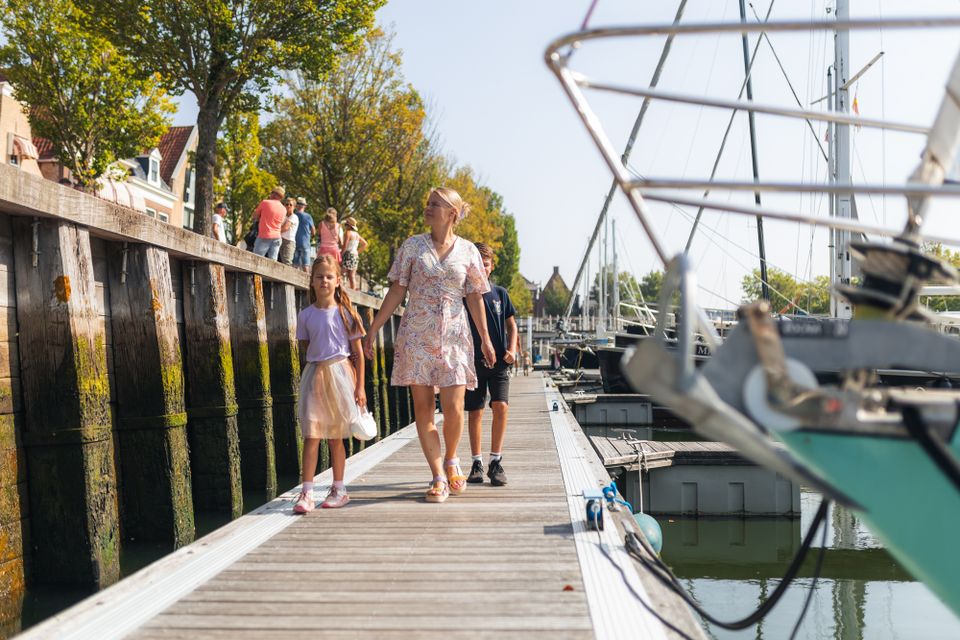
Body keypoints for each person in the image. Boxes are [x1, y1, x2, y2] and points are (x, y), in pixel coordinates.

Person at [362, 187, 495, 503]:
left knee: (454, 409)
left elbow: (475, 297)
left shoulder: (468, 251)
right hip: (417, 336)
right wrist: (373, 329)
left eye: (435, 204)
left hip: (455, 337)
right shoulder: (412, 246)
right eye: (428, 203)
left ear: (452, 213)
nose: (428, 207)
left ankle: (451, 458)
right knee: (423, 409)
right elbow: (397, 290)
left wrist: (486, 339)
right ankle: (437, 475)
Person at [293, 255, 367, 513]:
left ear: (337, 281)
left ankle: (339, 488)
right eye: (319, 276)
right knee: (311, 435)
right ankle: (307, 492)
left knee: (336, 436)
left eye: (329, 276)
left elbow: (358, 354)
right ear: (312, 281)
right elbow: (307, 347)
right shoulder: (305, 315)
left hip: (340, 374)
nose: (324, 280)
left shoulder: (346, 314)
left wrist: (360, 387)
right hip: (315, 375)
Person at [464, 243, 518, 487]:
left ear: (491, 267)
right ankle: (476, 462)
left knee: (501, 406)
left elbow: (512, 326)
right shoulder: (465, 295)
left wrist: (512, 349)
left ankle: (495, 461)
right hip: (474, 361)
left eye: (485, 265)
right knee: (475, 411)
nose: (481, 269)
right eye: (477, 265)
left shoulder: (500, 293)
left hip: (500, 363)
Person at [252, 186, 286, 260]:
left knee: (256, 260)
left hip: (264, 235)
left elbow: (255, 216)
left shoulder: (265, 203)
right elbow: (281, 223)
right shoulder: (284, 209)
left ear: (274, 194)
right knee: (273, 262)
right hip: (277, 237)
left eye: (272, 192)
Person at [341, 217, 368, 289]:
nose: (345, 226)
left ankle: (340, 289)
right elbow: (365, 244)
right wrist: (357, 252)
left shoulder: (348, 233)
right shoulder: (357, 235)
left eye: (346, 225)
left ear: (349, 226)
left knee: (341, 273)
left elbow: (345, 246)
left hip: (348, 254)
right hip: (355, 255)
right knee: (352, 276)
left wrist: (340, 255)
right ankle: (353, 292)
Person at [293, 197, 315, 272]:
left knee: (295, 265)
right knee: (306, 265)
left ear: (296, 205)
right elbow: (313, 231)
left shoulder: (293, 215)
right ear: (304, 206)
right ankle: (307, 280)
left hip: (295, 242)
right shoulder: (308, 216)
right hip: (305, 243)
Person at [279, 197, 299, 265]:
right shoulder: (283, 216)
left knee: (287, 262)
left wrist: (274, 231)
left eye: (291, 205)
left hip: (288, 242)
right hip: (280, 239)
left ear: (294, 207)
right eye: (286, 204)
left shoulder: (294, 217)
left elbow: (285, 228)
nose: (288, 206)